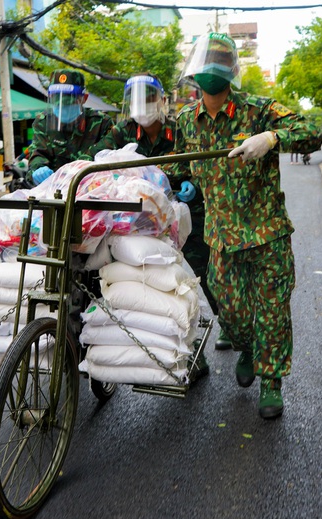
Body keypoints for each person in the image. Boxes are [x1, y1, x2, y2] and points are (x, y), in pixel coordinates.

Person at [174, 33, 322, 419]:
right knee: (234, 318)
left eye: (219, 64)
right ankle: (248, 348)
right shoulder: (187, 120)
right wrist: (143, 177)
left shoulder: (259, 110)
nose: (211, 72)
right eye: (206, 64)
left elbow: (311, 133)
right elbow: (177, 163)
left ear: (231, 71)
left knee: (273, 313)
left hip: (267, 234)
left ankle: (271, 384)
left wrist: (273, 137)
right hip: (223, 241)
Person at [90, 73, 229, 353]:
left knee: (206, 269)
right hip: (139, 217)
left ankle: (226, 319)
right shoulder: (122, 132)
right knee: (157, 276)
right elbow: (97, 159)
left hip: (183, 208)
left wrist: (194, 183)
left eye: (149, 97)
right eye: (138, 99)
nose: (143, 105)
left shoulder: (180, 129)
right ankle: (181, 340)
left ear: (162, 101)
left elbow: (201, 162)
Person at [27, 69, 114, 184]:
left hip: (90, 189)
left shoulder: (101, 123)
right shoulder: (43, 122)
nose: (62, 107)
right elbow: (37, 153)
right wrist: (38, 169)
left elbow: (109, 161)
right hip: (52, 189)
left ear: (84, 98)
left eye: (69, 102)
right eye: (57, 102)